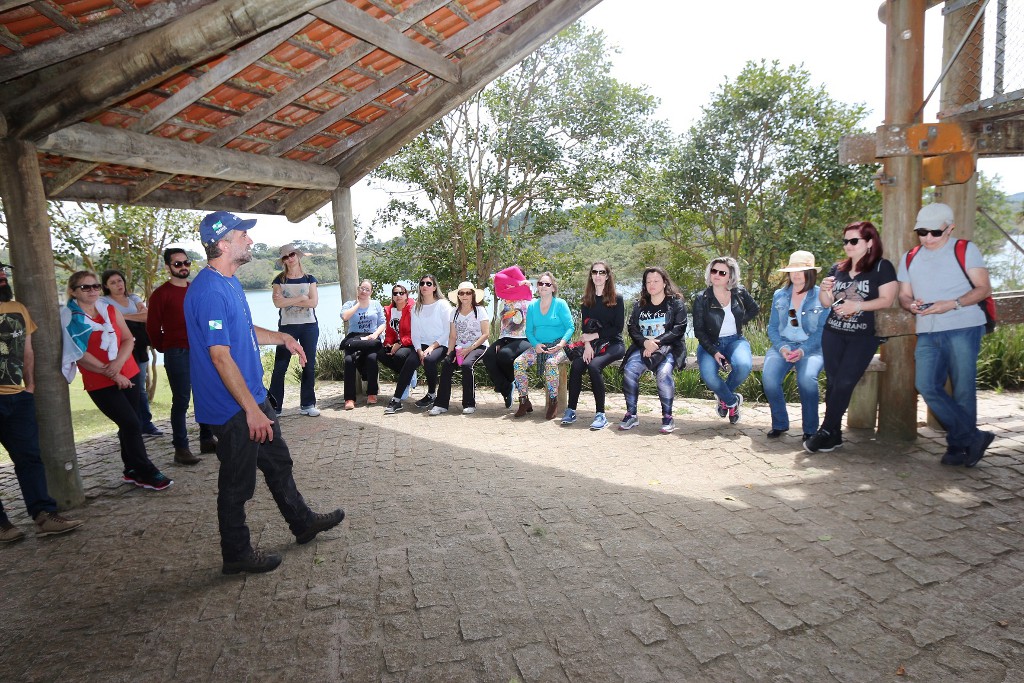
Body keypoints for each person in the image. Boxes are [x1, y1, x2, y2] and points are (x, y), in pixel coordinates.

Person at [184, 211, 344, 575]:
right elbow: (220, 356)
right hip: (233, 406)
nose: (251, 241)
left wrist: (283, 337)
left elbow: (243, 331)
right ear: (224, 244)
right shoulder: (209, 291)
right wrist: (252, 411)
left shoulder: (228, 282)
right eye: (244, 235)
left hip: (252, 397)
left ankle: (302, 522)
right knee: (238, 481)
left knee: (277, 462)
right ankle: (237, 554)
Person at [898, 202, 995, 467]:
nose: (928, 237)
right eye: (922, 231)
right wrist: (910, 305)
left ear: (949, 229)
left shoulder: (966, 249)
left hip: (963, 326)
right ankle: (973, 437)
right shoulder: (910, 256)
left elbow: (983, 288)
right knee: (926, 385)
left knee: (963, 389)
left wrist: (951, 303)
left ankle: (957, 446)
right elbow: (904, 295)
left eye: (935, 232)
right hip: (927, 331)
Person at [61, 270, 172, 490]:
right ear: (73, 292)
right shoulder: (70, 318)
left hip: (128, 371)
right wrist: (113, 373)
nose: (93, 290)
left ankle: (131, 469)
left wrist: (119, 368)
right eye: (86, 287)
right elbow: (79, 354)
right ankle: (147, 471)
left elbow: (128, 339)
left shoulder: (109, 309)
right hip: (99, 380)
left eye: (95, 286)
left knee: (129, 424)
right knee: (131, 423)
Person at [0, 265, 84, 543]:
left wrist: (30, 387)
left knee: (30, 459)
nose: (3, 275)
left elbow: (27, 349)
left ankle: (44, 516)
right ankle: (2, 525)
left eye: (3, 270)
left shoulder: (17, 308)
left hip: (17, 398)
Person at [805, 220, 897, 453]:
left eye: (854, 241)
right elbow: (825, 303)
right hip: (833, 333)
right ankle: (834, 436)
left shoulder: (881, 267)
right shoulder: (838, 269)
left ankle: (825, 429)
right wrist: (825, 290)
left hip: (863, 336)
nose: (848, 245)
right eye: (845, 241)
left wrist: (857, 307)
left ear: (869, 242)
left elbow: (887, 300)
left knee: (846, 382)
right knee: (835, 384)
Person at [147, 248, 215, 465]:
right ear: (168, 267)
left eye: (186, 263)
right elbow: (152, 327)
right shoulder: (160, 294)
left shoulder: (195, 290)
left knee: (204, 395)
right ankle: (181, 448)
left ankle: (207, 439)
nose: (183, 267)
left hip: (200, 351)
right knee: (182, 400)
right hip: (177, 352)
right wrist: (164, 347)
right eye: (178, 264)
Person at [763, 251, 829, 441]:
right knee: (769, 379)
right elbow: (773, 328)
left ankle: (810, 429)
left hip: (812, 348)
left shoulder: (821, 296)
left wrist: (803, 350)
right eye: (793, 270)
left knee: (807, 379)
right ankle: (780, 424)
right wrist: (782, 347)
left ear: (811, 272)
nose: (797, 274)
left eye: (802, 270)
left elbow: (822, 330)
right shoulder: (780, 295)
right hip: (783, 346)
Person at [619, 266, 687, 433]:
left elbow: (679, 328)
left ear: (664, 282)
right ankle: (631, 414)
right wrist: (644, 343)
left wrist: (655, 342)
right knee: (630, 370)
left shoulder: (675, 303)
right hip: (643, 348)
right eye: (648, 281)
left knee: (664, 374)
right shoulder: (639, 305)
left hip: (668, 348)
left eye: (656, 281)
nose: (652, 284)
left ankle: (667, 416)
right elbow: (632, 327)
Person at [558, 261, 625, 431]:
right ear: (591, 275)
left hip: (614, 344)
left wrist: (593, 336)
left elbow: (617, 328)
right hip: (593, 345)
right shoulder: (587, 300)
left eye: (602, 272)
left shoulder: (617, 299)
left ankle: (600, 414)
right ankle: (571, 410)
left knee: (594, 366)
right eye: (594, 272)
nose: (598, 275)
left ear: (608, 276)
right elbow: (585, 326)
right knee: (578, 364)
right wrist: (587, 345)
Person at [692, 257, 759, 424]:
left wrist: (740, 321)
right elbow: (699, 331)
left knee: (743, 366)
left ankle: (723, 397)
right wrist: (714, 352)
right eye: (714, 271)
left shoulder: (740, 292)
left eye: (722, 272)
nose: (717, 275)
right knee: (709, 375)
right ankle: (731, 401)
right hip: (710, 343)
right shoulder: (702, 298)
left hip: (735, 340)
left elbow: (754, 309)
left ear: (730, 276)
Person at [100, 269, 161, 436]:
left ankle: (146, 423)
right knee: (125, 387)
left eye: (120, 281)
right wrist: (133, 316)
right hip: (119, 351)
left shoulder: (133, 298)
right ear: (106, 286)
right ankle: (129, 425)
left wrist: (122, 317)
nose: (118, 285)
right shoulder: (103, 301)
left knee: (140, 386)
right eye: (113, 282)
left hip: (139, 347)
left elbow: (147, 316)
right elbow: (107, 321)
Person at [384, 274, 451, 414]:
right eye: (422, 284)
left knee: (429, 360)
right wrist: (419, 350)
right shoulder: (416, 308)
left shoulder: (443, 305)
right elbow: (415, 333)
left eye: (428, 283)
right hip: (422, 345)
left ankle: (432, 394)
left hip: (442, 344)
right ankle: (396, 400)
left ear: (434, 287)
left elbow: (448, 331)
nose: (424, 286)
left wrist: (432, 347)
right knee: (410, 362)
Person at [268, 243, 320, 417]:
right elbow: (277, 303)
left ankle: (307, 404)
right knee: (280, 367)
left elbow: (313, 303)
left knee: (309, 365)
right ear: (283, 261)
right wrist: (301, 297)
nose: (289, 258)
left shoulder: (310, 278)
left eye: (292, 255)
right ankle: (275, 407)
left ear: (298, 256)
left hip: (309, 327)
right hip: (286, 329)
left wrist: (288, 300)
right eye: (285, 257)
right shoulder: (279, 280)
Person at [514, 272, 574, 420]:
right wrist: (536, 345)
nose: (543, 286)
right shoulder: (533, 306)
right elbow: (528, 331)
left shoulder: (560, 304)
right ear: (537, 287)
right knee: (518, 363)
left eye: (547, 284)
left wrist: (561, 344)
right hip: (539, 346)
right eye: (541, 283)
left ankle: (553, 402)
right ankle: (524, 400)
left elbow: (570, 327)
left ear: (553, 288)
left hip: (559, 345)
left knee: (551, 362)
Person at [429, 282, 490, 416]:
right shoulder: (454, 312)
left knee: (467, 365)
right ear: (458, 295)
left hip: (479, 346)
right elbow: (452, 336)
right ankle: (441, 404)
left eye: (468, 293)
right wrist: (450, 353)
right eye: (462, 293)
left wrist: (469, 349)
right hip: (459, 347)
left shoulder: (480, 310)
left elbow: (486, 334)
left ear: (473, 295)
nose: (465, 296)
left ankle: (469, 404)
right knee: (447, 364)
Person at [481, 265, 532, 410]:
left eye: (517, 280)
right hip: (505, 338)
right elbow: (504, 323)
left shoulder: (529, 298)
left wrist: (526, 286)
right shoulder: (504, 300)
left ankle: (508, 382)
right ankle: (506, 386)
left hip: (524, 339)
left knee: (504, 355)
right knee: (489, 356)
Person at [341, 279, 385, 410]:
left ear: (371, 292)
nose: (364, 291)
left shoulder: (376, 304)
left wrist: (376, 334)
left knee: (371, 358)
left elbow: (383, 322)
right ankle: (349, 398)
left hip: (371, 337)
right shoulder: (349, 304)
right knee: (349, 360)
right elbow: (345, 317)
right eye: (362, 288)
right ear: (358, 289)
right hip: (355, 337)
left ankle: (372, 393)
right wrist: (358, 304)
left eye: (367, 289)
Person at [378, 283, 418, 405]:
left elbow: (415, 332)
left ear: (406, 295)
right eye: (395, 293)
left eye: (401, 293)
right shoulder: (391, 310)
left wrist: (400, 343)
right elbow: (390, 332)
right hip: (397, 342)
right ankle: (409, 373)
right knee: (380, 353)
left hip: (411, 343)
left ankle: (405, 383)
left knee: (399, 356)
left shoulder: (413, 309)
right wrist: (388, 344)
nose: (398, 295)